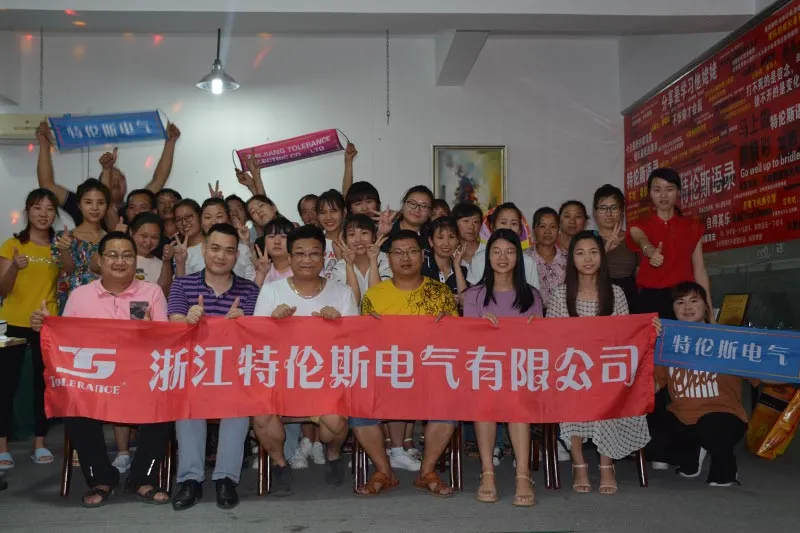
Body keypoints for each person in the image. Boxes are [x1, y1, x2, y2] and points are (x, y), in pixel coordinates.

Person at [30, 231, 172, 507]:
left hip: (140, 382)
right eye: (113, 255)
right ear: (99, 260)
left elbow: (166, 342)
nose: (120, 261)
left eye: (127, 255)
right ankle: (101, 478)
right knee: (74, 407)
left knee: (164, 405)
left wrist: (151, 332)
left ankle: (142, 478)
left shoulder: (152, 293)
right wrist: (46, 326)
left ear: (135, 261)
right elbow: (66, 342)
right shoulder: (80, 296)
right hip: (95, 384)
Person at [251, 225, 357, 496]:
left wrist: (339, 325)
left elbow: (355, 344)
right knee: (261, 415)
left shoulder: (342, 292)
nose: (307, 260)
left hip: (326, 380)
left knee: (335, 425)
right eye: (299, 254)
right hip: (282, 378)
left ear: (323, 257)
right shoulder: (271, 291)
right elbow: (257, 342)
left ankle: (333, 453)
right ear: (289, 257)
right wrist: (273, 322)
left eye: (314, 254)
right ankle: (280, 464)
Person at [352, 230, 459, 497]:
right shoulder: (375, 295)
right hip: (389, 373)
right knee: (358, 404)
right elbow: (365, 345)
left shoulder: (440, 292)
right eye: (398, 253)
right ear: (388, 259)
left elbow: (455, 341)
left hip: (430, 373)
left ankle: (427, 471)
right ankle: (384, 471)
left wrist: (448, 324)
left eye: (411, 251)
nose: (405, 258)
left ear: (422, 256)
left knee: (448, 402)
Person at [546, 231, 650, 494]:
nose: (588, 258)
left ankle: (606, 464)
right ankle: (579, 463)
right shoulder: (560, 294)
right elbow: (552, 340)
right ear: (572, 259)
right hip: (572, 371)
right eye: (580, 253)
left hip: (606, 371)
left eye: (593, 252)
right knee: (569, 392)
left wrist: (649, 329)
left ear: (602, 257)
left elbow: (626, 338)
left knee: (609, 392)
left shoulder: (616, 293)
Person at [168, 223, 260, 511]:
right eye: (215, 248)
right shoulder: (183, 284)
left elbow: (257, 336)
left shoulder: (249, 290)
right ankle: (190, 480)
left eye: (229, 251)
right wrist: (187, 320)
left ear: (237, 256)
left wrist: (243, 322)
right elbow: (172, 323)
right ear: (204, 249)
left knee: (239, 402)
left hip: (233, 372)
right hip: (193, 370)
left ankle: (225, 479)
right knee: (187, 400)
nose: (221, 256)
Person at [646, 282, 760, 487]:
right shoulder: (668, 343)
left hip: (723, 415)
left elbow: (763, 375)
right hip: (683, 416)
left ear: (706, 307)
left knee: (712, 428)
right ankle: (693, 452)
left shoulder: (727, 340)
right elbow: (654, 384)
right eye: (680, 302)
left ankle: (725, 468)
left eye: (694, 301)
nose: (687, 307)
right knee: (652, 436)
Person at [463, 228, 543, 506]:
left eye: (509, 252)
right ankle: (488, 472)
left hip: (520, 371)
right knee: (485, 398)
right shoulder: (474, 295)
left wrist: (535, 329)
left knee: (518, 398)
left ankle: (523, 474)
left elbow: (539, 345)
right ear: (487, 257)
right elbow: (467, 342)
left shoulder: (532, 295)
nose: (503, 257)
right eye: (496, 251)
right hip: (485, 369)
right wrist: (480, 327)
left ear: (518, 257)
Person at [0, 189, 60, 469]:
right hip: (12, 322)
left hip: (46, 323)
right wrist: (14, 266)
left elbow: (68, 274)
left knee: (42, 386)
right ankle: (2, 446)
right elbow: (2, 289)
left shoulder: (59, 246)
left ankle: (40, 442)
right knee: (5, 385)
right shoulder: (12, 244)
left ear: (55, 214)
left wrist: (66, 251)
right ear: (27, 211)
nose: (43, 214)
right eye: (37, 208)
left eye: (49, 209)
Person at [36, 121, 180, 227]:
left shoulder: (135, 206)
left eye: (120, 179)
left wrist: (170, 142)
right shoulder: (82, 203)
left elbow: (159, 180)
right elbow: (47, 185)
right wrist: (44, 144)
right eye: (111, 178)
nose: (116, 182)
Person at [626, 168, 711, 319]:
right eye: (657, 190)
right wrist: (650, 251)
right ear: (650, 193)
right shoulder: (639, 225)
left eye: (669, 189)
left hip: (683, 300)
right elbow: (640, 237)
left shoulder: (693, 226)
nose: (663, 195)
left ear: (678, 192)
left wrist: (710, 315)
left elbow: (700, 270)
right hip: (650, 300)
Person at [51, 178, 110, 313]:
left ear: (107, 206)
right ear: (79, 205)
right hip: (71, 301)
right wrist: (64, 250)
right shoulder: (63, 237)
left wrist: (113, 241)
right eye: (88, 202)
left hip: (103, 303)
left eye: (100, 203)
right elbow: (69, 268)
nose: (95, 208)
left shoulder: (111, 240)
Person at [468, 203, 539, 289]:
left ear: (520, 230)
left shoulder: (528, 262)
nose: (508, 228)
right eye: (503, 223)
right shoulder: (478, 259)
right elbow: (473, 294)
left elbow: (533, 294)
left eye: (514, 223)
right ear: (493, 226)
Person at [183, 198, 255, 281]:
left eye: (219, 216)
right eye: (207, 217)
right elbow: (183, 285)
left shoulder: (243, 250)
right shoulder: (189, 254)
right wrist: (180, 263)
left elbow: (252, 283)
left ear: (228, 220)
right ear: (201, 222)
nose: (213, 222)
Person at [593, 184, 638, 309]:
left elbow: (639, 275)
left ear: (621, 211)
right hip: (598, 297)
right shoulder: (588, 239)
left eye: (614, 207)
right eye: (603, 208)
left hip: (629, 297)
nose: (609, 213)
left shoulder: (633, 237)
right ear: (595, 212)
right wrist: (605, 249)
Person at [332, 214, 391, 302]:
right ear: (345, 240)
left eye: (364, 233)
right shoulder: (340, 267)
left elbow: (377, 299)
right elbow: (352, 302)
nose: (358, 240)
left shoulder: (386, 261)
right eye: (352, 234)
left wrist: (373, 260)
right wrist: (349, 265)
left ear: (373, 237)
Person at [422, 216, 468, 302]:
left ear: (457, 241)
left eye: (451, 237)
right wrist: (446, 298)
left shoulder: (462, 270)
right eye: (440, 238)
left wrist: (457, 267)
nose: (446, 243)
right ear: (431, 241)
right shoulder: (421, 268)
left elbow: (465, 303)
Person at [529, 207, 566, 309]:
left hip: (562, 314)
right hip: (533, 314)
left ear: (559, 230)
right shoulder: (524, 259)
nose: (548, 231)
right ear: (534, 229)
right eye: (542, 226)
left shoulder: (568, 259)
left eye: (553, 226)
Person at [130, 212, 173, 295]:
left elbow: (163, 293)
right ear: (131, 232)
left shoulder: (162, 264)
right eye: (144, 236)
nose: (148, 242)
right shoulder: (120, 258)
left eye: (154, 237)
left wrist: (167, 261)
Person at [253, 217, 295, 287]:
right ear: (264, 242)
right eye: (271, 236)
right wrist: (261, 274)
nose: (277, 242)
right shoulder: (261, 270)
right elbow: (253, 293)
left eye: (283, 236)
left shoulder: (300, 269)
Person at [317, 189, 346, 279]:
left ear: (344, 213)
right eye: (323, 212)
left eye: (333, 211)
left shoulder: (353, 241)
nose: (328, 217)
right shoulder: (314, 242)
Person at [172, 199, 203, 277]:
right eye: (179, 220)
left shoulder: (213, 245)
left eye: (188, 216)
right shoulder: (178, 251)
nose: (184, 223)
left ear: (200, 216)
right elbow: (179, 283)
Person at [452, 202, 484, 269]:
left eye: (476, 222)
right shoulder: (450, 254)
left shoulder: (488, 252)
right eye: (466, 221)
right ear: (455, 224)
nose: (471, 227)